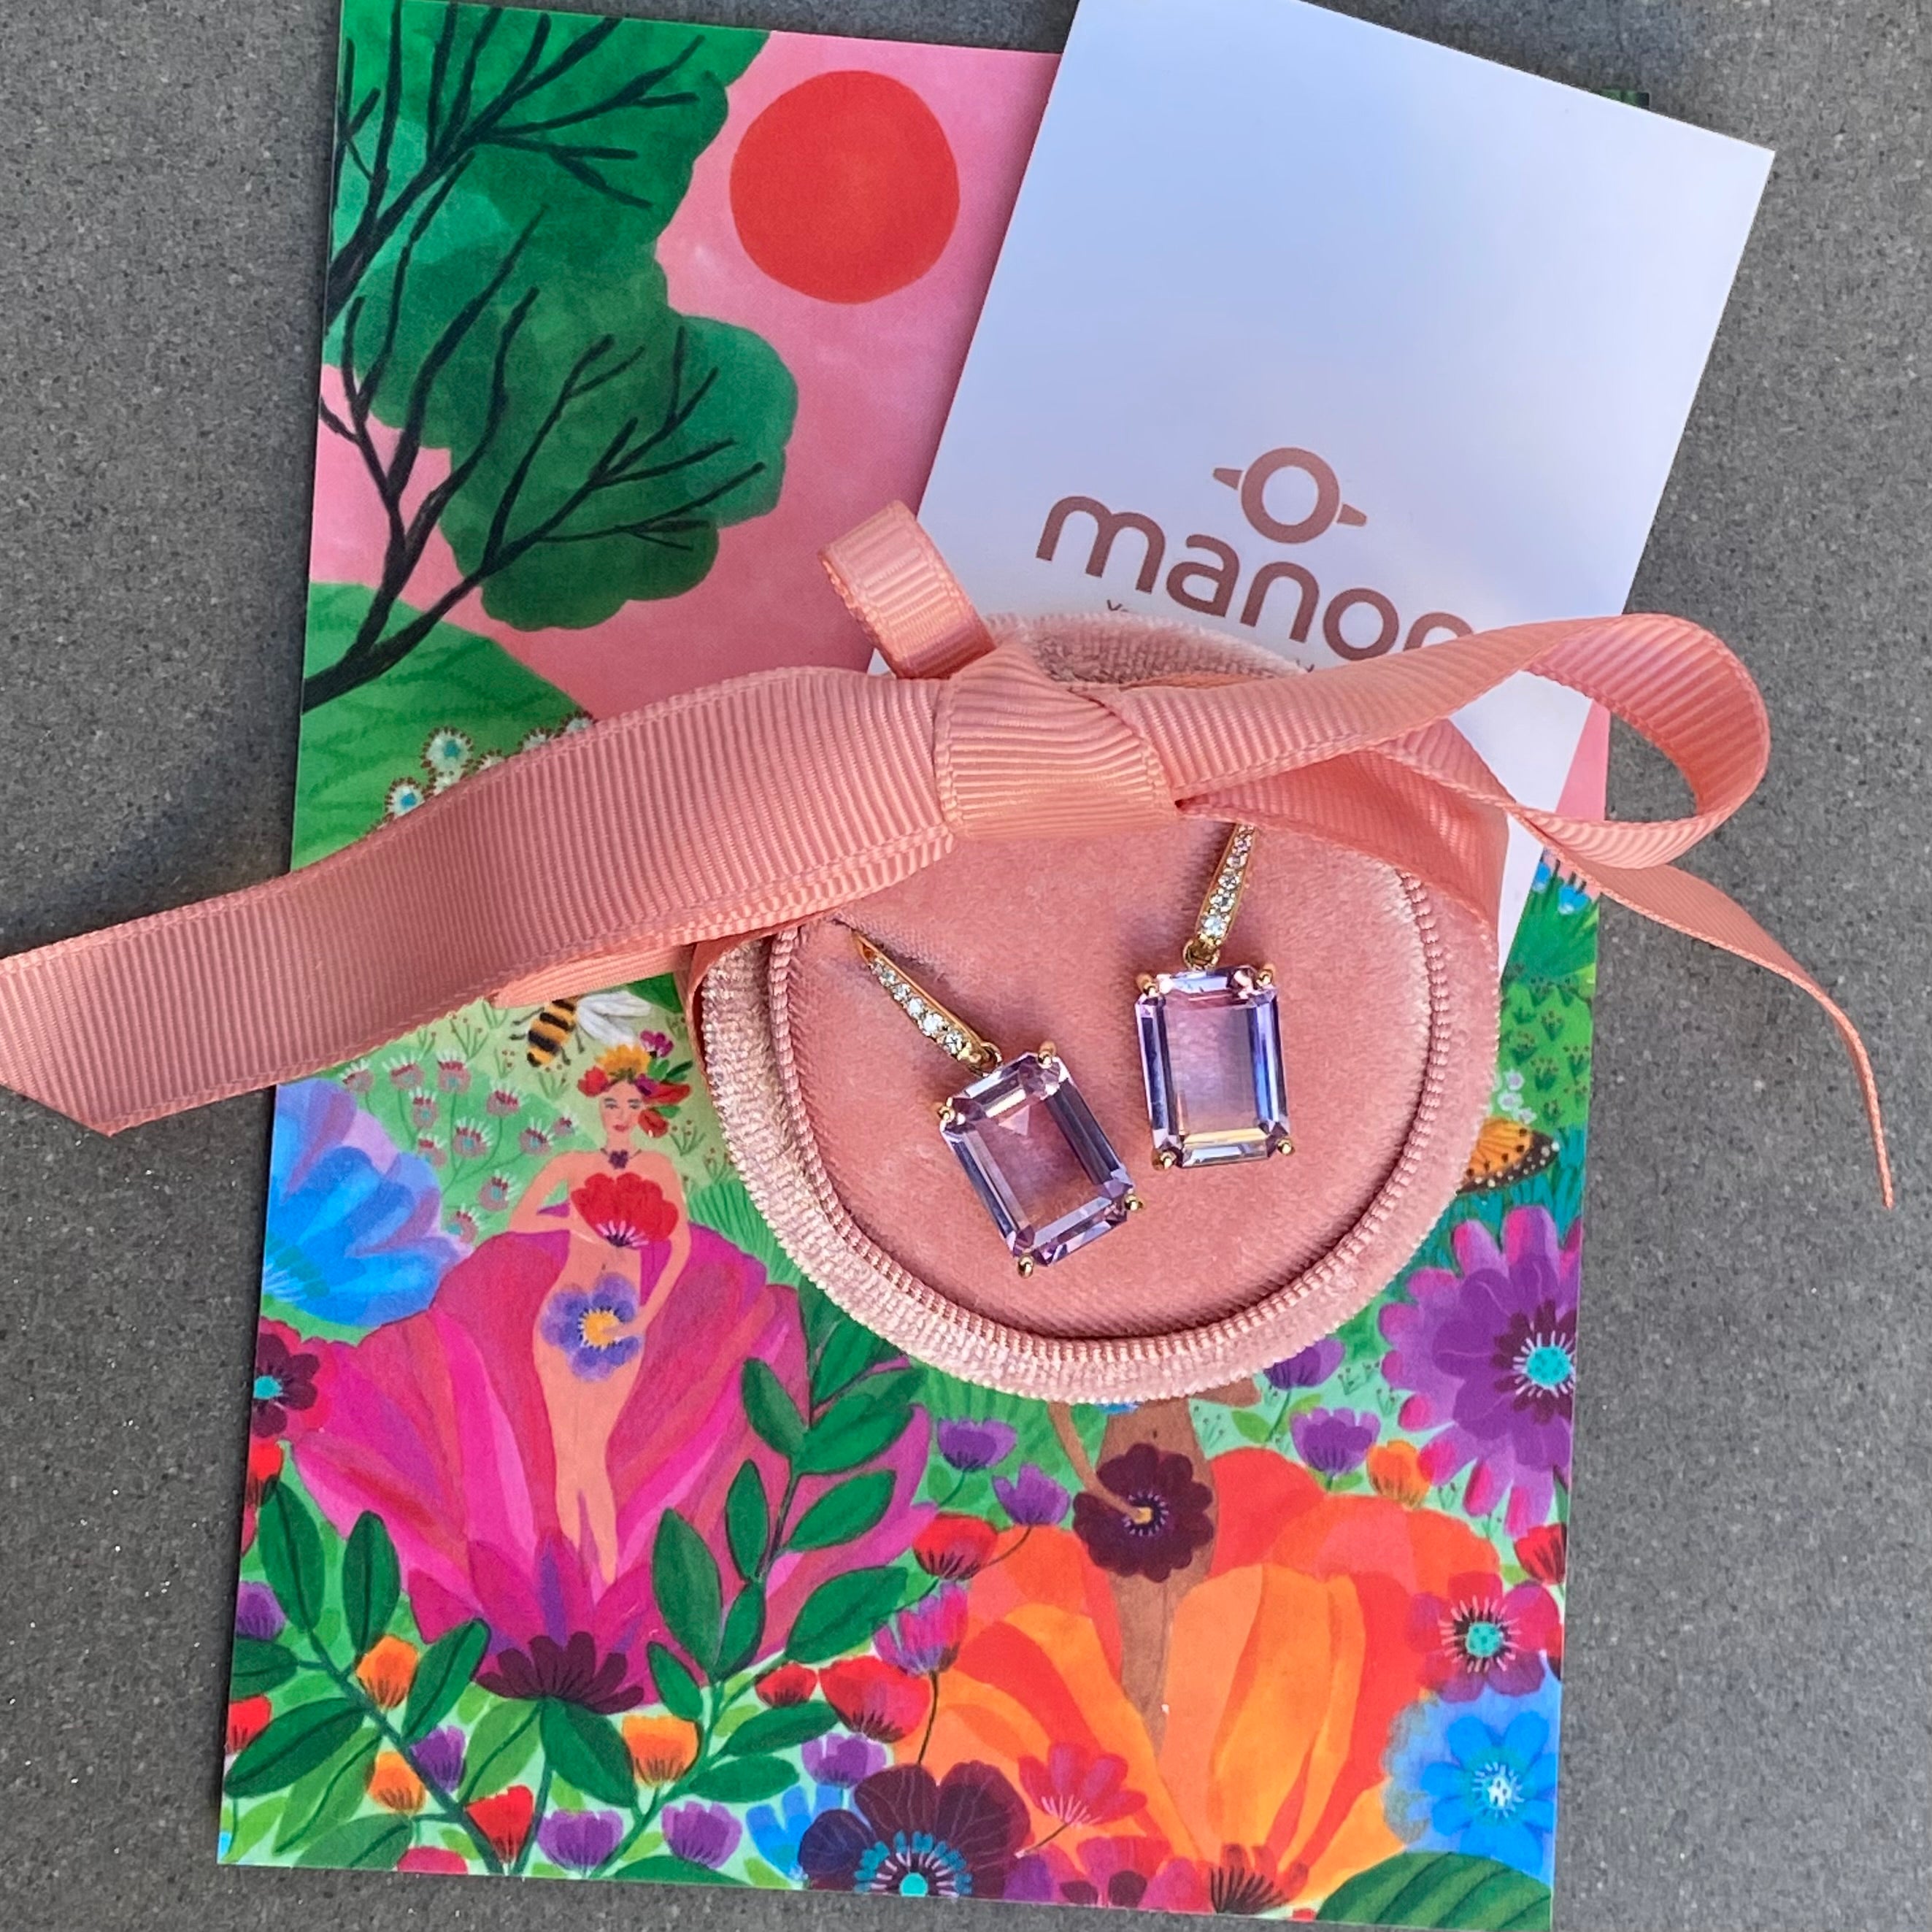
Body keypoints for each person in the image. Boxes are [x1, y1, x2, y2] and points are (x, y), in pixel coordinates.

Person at [509, 1039, 693, 1576]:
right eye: (611, 1103)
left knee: (592, 1450)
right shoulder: (574, 1164)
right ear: (597, 1105)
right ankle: (572, 1575)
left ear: (644, 1111)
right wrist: (571, 1222)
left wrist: (645, 1316)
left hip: (621, 1322)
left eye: (631, 1105)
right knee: (565, 1453)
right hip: (562, 1317)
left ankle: (606, 1574)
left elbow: (680, 1246)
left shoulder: (657, 1168)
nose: (620, 1114)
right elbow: (520, 1219)